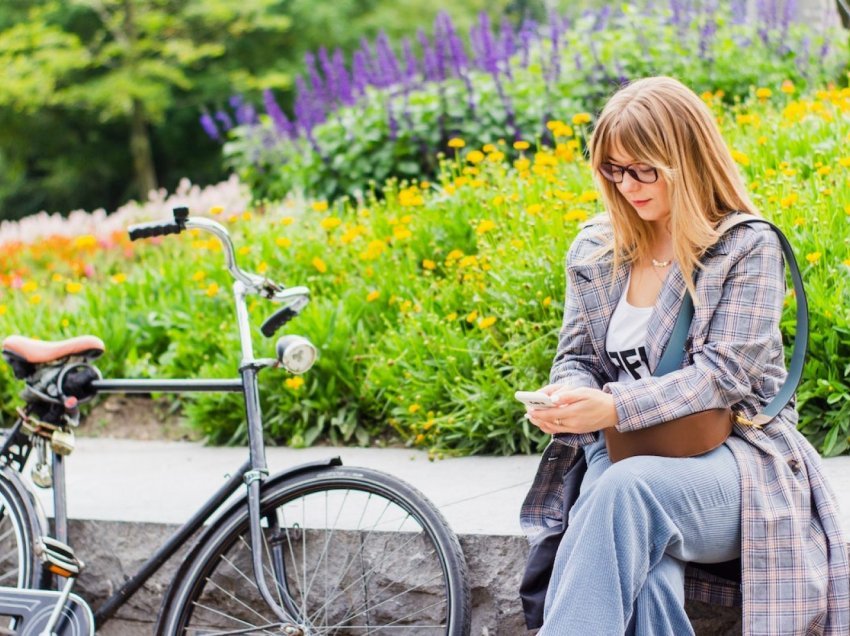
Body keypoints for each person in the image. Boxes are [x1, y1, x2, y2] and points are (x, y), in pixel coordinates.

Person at [520, 76, 850, 635]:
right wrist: (566, 395)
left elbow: (722, 377)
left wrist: (612, 407)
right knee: (641, 567)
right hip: (623, 454)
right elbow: (575, 355)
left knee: (624, 494)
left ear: (686, 157)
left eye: (643, 169)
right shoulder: (596, 250)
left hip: (733, 461)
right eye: (612, 170)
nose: (627, 185)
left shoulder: (744, 247)